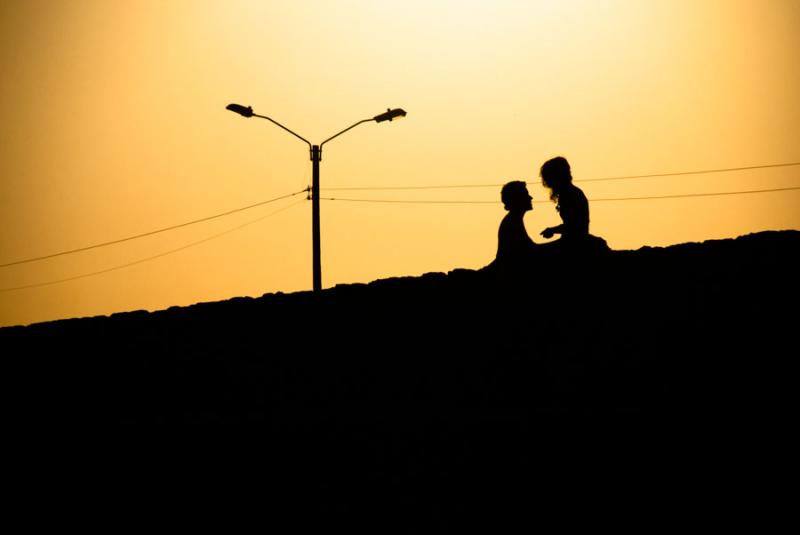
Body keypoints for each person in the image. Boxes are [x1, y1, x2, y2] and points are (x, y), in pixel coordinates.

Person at [539, 156, 590, 242]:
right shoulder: (569, 193)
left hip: (575, 241)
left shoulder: (570, 194)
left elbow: (574, 226)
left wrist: (552, 230)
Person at [494, 180, 537, 268]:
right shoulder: (512, 223)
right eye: (526, 194)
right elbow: (530, 251)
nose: (530, 197)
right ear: (517, 199)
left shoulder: (513, 219)